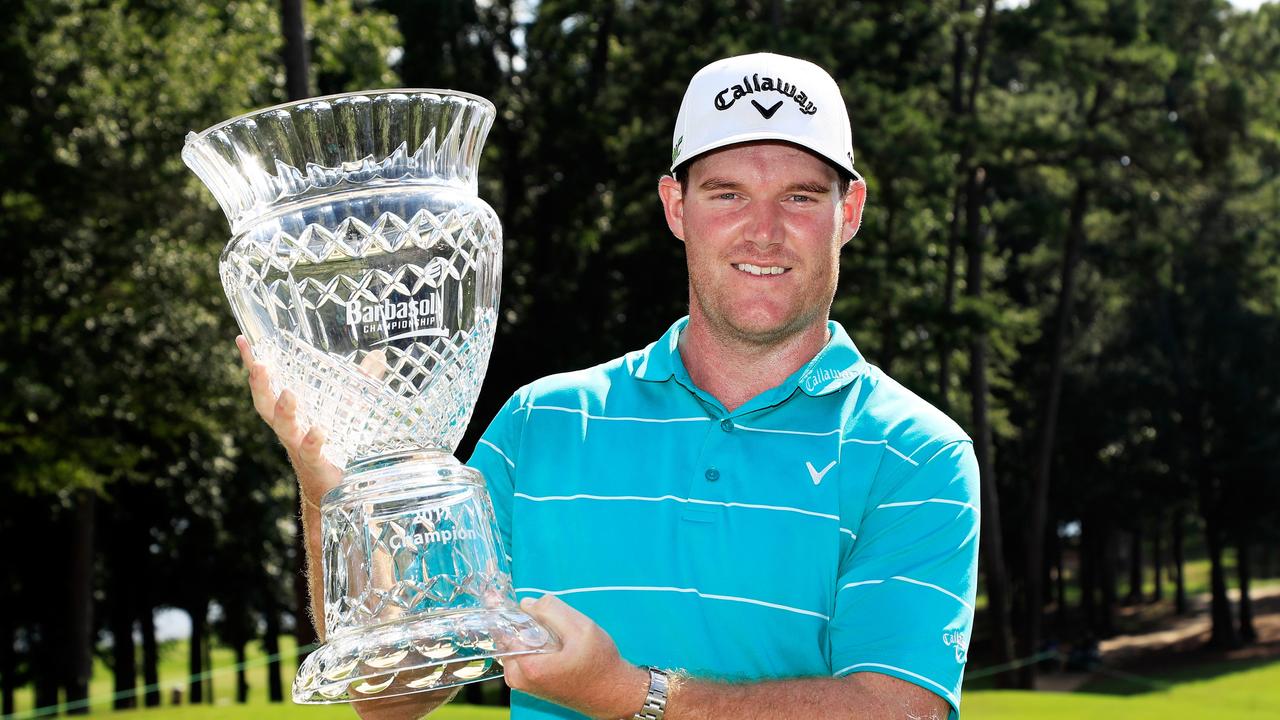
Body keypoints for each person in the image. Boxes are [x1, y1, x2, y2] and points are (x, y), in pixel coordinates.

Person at [239, 52, 979, 720]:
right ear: (675, 207)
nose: (763, 231)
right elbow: (395, 703)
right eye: (726, 194)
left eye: (799, 197)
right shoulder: (544, 425)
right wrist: (333, 494)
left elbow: (895, 710)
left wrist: (632, 695)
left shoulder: (918, 454)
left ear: (847, 212)